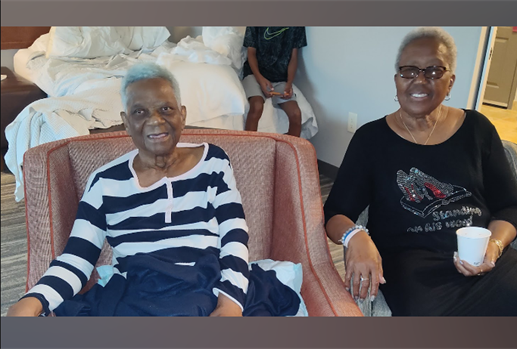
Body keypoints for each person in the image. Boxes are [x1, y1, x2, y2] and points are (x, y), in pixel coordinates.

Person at [7, 62, 301, 317]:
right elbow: (77, 259)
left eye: (165, 109)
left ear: (182, 115)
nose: (155, 121)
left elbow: (235, 235)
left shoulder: (213, 161)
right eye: (139, 111)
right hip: (139, 294)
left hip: (206, 282)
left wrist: (231, 302)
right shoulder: (104, 182)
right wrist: (33, 300)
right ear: (126, 122)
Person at [323, 27, 517, 316]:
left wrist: (493, 246)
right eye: (409, 71)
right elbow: (335, 213)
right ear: (396, 80)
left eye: (433, 71)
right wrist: (356, 236)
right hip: (415, 271)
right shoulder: (371, 140)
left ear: (450, 82)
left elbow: (512, 207)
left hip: (488, 262)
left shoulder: (477, 129)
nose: (419, 80)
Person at [242, 26, 307, 137]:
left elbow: (294, 57)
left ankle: (290, 152)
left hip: (280, 78)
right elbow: (251, 53)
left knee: (296, 114)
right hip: (255, 74)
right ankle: (248, 150)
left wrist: (289, 83)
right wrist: (261, 80)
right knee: (257, 106)